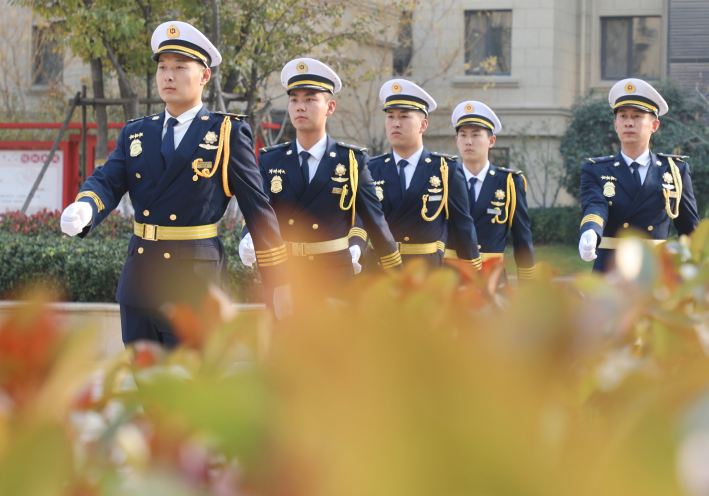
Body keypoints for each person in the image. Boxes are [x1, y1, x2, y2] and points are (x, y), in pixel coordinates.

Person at [60, 21, 288, 346]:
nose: (168, 76)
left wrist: (278, 282)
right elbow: (108, 180)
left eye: (180, 67)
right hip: (141, 280)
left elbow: (258, 208)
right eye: (163, 67)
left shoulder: (226, 133)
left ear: (204, 76)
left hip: (195, 285)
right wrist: (86, 205)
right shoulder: (137, 132)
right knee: (146, 387)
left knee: (188, 390)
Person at [247, 58, 402, 314]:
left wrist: (400, 279)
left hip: (334, 277)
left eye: (310, 99)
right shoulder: (270, 159)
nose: (300, 107)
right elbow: (260, 217)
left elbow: (376, 223)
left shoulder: (351, 161)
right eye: (294, 99)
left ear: (330, 107)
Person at [351, 79, 481, 270]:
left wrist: (474, 281)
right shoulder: (371, 168)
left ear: (423, 125)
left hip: (426, 273)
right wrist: (356, 247)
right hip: (380, 270)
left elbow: (463, 228)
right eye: (390, 116)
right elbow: (361, 218)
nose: (395, 123)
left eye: (404, 117)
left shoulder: (446, 169)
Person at [578, 78, 700, 272]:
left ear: (654, 125)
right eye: (623, 116)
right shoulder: (596, 169)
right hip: (611, 270)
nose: (628, 123)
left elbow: (689, 229)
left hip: (655, 271)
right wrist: (591, 230)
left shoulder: (674, 170)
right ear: (615, 125)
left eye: (637, 116)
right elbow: (595, 206)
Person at [447, 100, 535, 284]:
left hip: (491, 280)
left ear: (491, 141)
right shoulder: (443, 178)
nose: (468, 141)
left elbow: (522, 240)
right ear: (457, 141)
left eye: (476, 135)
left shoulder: (508, 183)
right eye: (463, 135)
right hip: (451, 278)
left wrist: (528, 288)